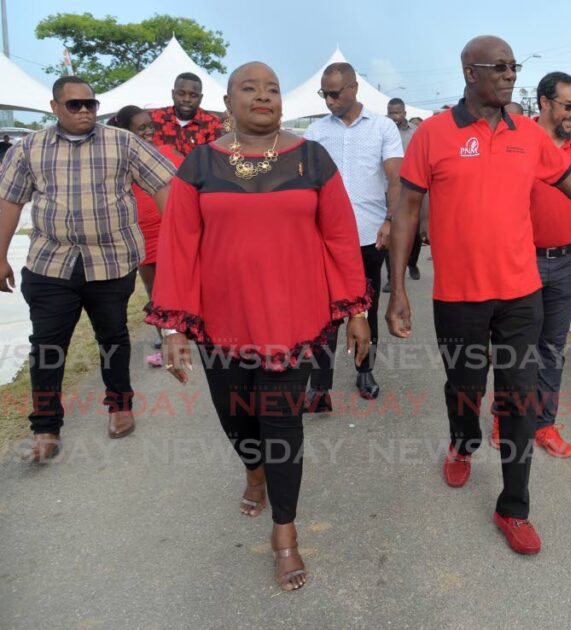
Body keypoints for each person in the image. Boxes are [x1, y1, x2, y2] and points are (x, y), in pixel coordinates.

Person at [386, 35, 571, 554]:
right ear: (469, 73)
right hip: (458, 296)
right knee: (464, 388)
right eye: (499, 67)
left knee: (520, 398)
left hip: (520, 294)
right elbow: (408, 212)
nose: (509, 75)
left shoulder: (528, 134)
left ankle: (514, 506)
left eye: (514, 66)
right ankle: (462, 442)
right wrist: (397, 289)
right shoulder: (433, 134)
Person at [147, 62, 371, 590]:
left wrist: (356, 312)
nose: (263, 95)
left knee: (282, 426)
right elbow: (179, 245)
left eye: (272, 87)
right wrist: (173, 327)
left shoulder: (311, 159)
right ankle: (253, 472)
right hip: (222, 321)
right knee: (235, 419)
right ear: (227, 101)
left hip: (294, 320)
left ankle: (285, 532)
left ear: (283, 103)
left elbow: (340, 239)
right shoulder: (199, 163)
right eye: (249, 88)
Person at [0, 76, 175, 462]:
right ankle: (45, 428)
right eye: (74, 105)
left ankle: (120, 406)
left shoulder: (123, 142)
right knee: (46, 346)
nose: (84, 111)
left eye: (90, 104)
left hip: (110, 260)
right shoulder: (29, 148)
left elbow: (165, 183)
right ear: (55, 107)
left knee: (112, 336)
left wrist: (177, 242)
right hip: (51, 263)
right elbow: (9, 201)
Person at [488, 71, 571, 458]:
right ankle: (503, 416)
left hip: (567, 262)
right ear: (544, 103)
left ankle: (544, 424)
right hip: (522, 262)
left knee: (553, 348)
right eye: (567, 106)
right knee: (516, 348)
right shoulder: (518, 141)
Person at [304, 62, 403, 403]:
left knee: (366, 308)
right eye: (324, 94)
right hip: (324, 238)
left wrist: (390, 220)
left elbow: (395, 178)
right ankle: (319, 386)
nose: (329, 101)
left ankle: (365, 371)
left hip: (368, 235)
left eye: (334, 93)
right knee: (321, 311)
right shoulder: (316, 133)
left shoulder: (382, 127)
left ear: (353, 88)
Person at [107, 105, 185, 368]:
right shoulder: (117, 158)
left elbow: (190, 180)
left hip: (170, 229)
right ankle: (166, 346)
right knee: (155, 293)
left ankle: (188, 333)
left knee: (181, 285)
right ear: (126, 132)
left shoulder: (166, 153)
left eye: (150, 125)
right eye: (141, 128)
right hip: (142, 233)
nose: (149, 131)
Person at [385, 97, 423, 284]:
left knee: (413, 233)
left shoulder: (415, 133)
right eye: (390, 112)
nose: (394, 116)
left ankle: (412, 262)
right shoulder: (382, 131)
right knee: (389, 231)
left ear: (404, 113)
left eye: (397, 112)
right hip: (388, 189)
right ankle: (392, 278)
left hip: (410, 189)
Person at [150, 72, 224, 156]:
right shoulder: (155, 117)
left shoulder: (212, 123)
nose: (187, 99)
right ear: (173, 94)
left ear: (200, 98)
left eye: (193, 95)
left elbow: (214, 159)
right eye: (181, 94)